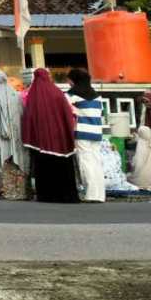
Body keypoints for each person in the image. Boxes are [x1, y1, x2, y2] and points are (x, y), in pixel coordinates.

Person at [22, 68, 78, 203]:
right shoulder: (57, 93)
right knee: (63, 167)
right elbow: (67, 114)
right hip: (61, 140)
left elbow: (28, 118)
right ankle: (67, 196)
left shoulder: (33, 96)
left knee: (44, 168)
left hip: (41, 142)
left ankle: (47, 195)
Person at [0, 69, 30, 200]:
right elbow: (21, 115)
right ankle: (18, 192)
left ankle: (0, 191)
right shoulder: (16, 95)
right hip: (15, 137)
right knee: (15, 161)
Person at [66, 68, 105, 203]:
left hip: (81, 132)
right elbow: (101, 114)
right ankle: (100, 194)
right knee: (96, 161)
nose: (68, 82)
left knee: (85, 162)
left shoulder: (71, 95)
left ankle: (91, 194)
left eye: (69, 79)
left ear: (75, 80)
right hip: (96, 132)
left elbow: (67, 112)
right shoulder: (97, 96)